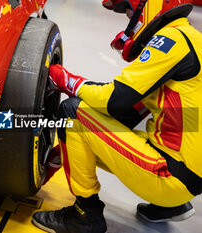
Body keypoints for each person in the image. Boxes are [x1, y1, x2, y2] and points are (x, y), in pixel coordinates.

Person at [32, 0, 202, 232]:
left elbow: (113, 100)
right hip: (189, 173)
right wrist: (63, 149)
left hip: (171, 176)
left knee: (72, 113)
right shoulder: (192, 38)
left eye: (130, 11)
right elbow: (127, 112)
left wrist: (66, 80)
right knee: (87, 124)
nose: (129, 20)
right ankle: (171, 206)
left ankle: (85, 216)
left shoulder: (170, 41)